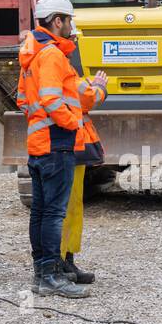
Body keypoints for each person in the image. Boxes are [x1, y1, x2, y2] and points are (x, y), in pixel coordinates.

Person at [16, 0, 102, 298]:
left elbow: (24, 101)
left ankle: (42, 274)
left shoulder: (31, 54)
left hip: (39, 144)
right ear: (57, 21)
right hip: (57, 144)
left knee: (40, 212)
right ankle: (51, 276)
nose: (70, 25)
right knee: (53, 213)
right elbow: (53, 100)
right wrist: (73, 122)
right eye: (68, 20)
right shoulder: (52, 55)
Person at [57, 66, 108, 285]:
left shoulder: (39, 59)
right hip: (66, 144)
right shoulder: (56, 59)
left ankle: (64, 260)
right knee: (67, 208)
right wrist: (98, 87)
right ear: (59, 28)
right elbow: (86, 98)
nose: (76, 38)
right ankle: (59, 262)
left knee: (67, 207)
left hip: (59, 145)